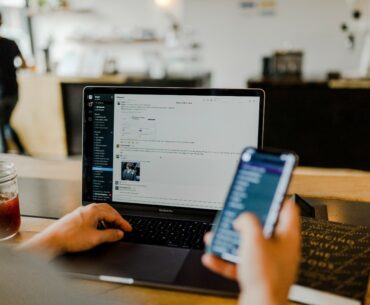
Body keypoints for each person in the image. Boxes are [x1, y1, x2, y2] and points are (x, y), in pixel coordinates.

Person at [0, 11, 27, 154]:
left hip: (3, 93)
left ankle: (9, 153)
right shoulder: (11, 43)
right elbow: (24, 64)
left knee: (3, 124)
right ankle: (22, 152)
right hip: (13, 91)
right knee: (5, 124)